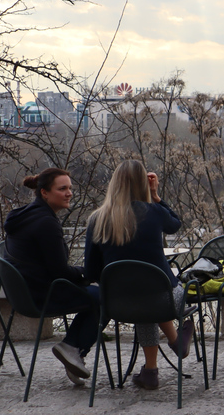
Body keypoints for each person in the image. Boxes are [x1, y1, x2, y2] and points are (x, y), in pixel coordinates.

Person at [83, 160, 193, 390]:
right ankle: (176, 340)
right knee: (155, 294)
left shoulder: (97, 219)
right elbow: (175, 224)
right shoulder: (154, 212)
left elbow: (91, 271)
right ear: (143, 183)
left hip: (117, 303)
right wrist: (155, 195)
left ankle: (150, 373)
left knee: (144, 299)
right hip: (164, 300)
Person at [3, 168, 100, 385]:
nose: (69, 193)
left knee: (96, 291)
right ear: (44, 193)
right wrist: (89, 272)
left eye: (70, 188)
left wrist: (83, 274)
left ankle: (73, 352)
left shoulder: (23, 215)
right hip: (43, 294)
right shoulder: (46, 223)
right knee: (105, 297)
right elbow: (60, 272)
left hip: (24, 294)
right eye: (62, 188)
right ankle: (73, 349)